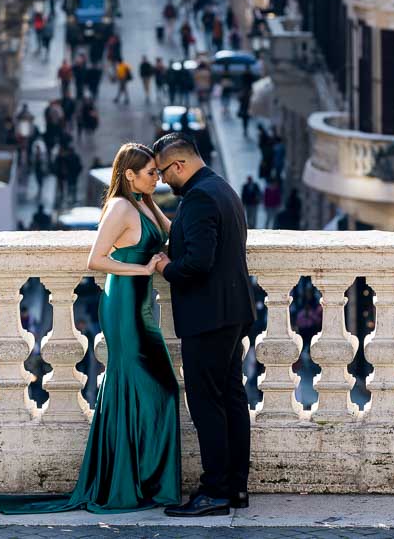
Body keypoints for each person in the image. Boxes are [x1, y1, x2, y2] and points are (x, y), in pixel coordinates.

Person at [0, 143, 179, 514]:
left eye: (157, 172)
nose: (159, 177)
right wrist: (143, 269)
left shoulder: (142, 202)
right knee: (151, 389)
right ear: (129, 175)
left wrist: (156, 204)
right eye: (152, 172)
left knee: (159, 391)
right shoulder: (120, 207)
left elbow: (171, 233)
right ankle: (126, 485)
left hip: (141, 306)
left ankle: (141, 480)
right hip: (123, 305)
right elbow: (97, 259)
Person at [152, 132, 255, 517]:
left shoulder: (198, 198)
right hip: (232, 313)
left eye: (164, 172)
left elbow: (197, 263)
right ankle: (236, 488)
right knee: (231, 399)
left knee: (208, 403)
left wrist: (165, 265)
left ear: (180, 165)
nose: (162, 180)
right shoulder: (222, 188)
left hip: (209, 318)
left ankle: (214, 491)